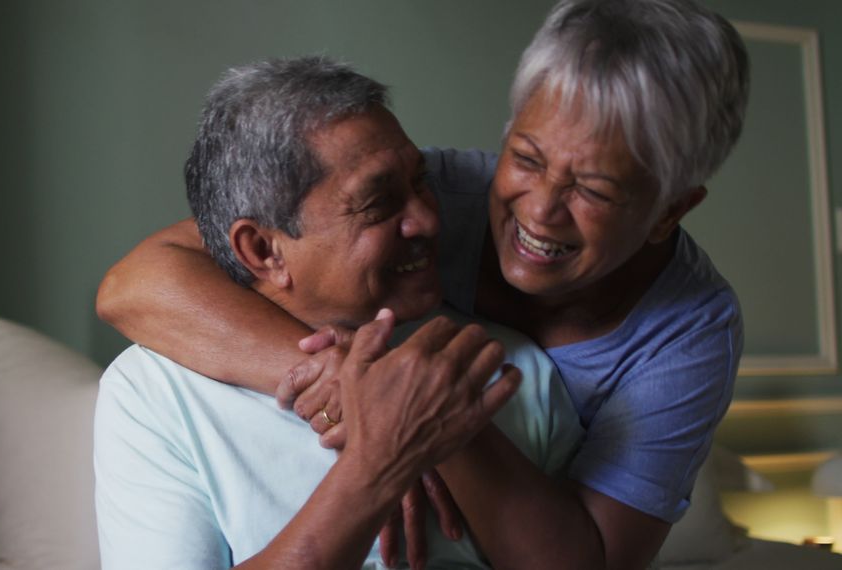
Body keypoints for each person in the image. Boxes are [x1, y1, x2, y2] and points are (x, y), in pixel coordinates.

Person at [96, 0, 750, 567]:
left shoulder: (668, 337)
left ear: (670, 210)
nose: (538, 209)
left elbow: (590, 560)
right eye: (524, 158)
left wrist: (426, 423)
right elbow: (139, 280)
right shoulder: (443, 187)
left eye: (594, 190)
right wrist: (356, 390)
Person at [94, 57, 583, 569]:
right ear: (264, 250)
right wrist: (378, 466)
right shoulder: (152, 395)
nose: (428, 219)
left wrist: (450, 423)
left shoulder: (511, 365)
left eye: (421, 183)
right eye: (377, 204)